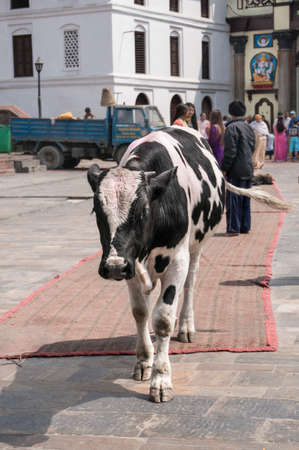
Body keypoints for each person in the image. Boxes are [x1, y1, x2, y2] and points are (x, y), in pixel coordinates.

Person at [221, 101, 255, 236]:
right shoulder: (248, 127)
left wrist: (224, 167)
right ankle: (245, 226)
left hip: (236, 168)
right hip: (247, 166)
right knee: (245, 198)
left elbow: (230, 151)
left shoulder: (232, 128)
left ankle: (234, 227)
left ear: (231, 113)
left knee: (234, 198)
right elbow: (252, 146)